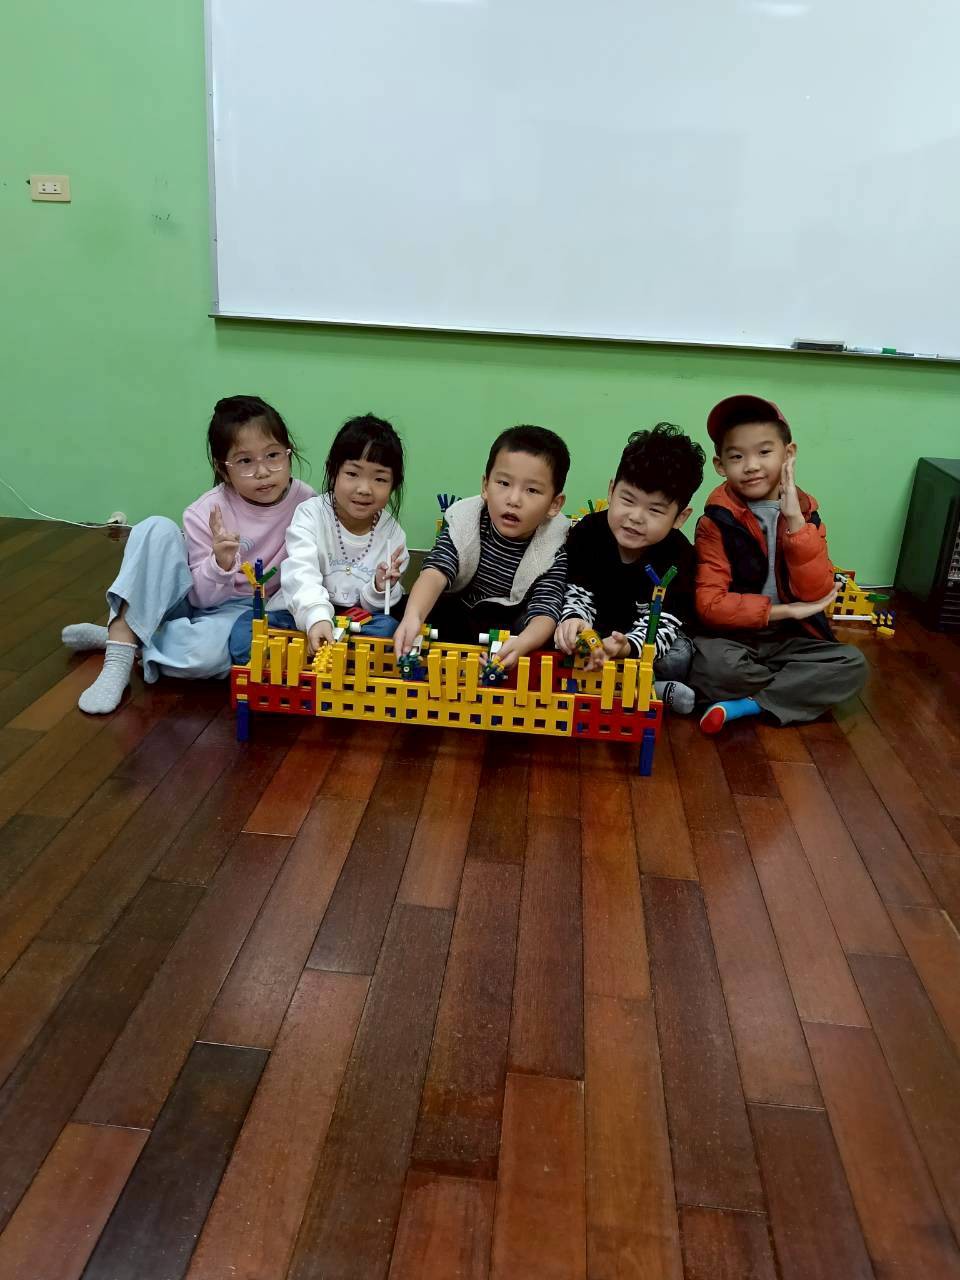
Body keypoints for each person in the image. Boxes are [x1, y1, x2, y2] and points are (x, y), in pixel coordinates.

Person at [63, 395, 313, 713]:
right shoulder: (206, 510)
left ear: (289, 453)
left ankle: (132, 637)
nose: (263, 471)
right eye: (245, 461)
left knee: (208, 657)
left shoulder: (307, 504)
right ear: (223, 469)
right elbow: (200, 598)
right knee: (154, 528)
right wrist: (220, 564)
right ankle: (119, 653)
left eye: (273, 455)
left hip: (245, 616)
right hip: (191, 599)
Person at [690, 393, 866, 733]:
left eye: (764, 452)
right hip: (734, 638)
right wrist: (784, 611)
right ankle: (792, 689)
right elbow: (710, 605)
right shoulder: (715, 522)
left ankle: (747, 704)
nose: (751, 466)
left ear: (789, 454)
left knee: (852, 664)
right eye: (737, 456)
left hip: (791, 639)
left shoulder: (807, 515)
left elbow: (815, 592)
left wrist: (796, 523)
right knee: (712, 666)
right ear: (720, 465)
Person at [554, 422, 704, 713]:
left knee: (678, 658)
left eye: (655, 510)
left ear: (680, 517)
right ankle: (647, 691)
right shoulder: (588, 532)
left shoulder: (679, 555)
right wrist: (575, 622)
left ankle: (631, 684)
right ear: (611, 490)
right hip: (594, 635)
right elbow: (576, 593)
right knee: (555, 633)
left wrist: (626, 647)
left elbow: (664, 622)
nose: (636, 517)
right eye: (627, 500)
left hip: (640, 644)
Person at [393, 424, 569, 672]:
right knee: (407, 608)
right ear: (486, 486)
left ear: (554, 504)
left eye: (532, 490)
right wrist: (414, 616)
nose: (513, 499)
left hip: (508, 627)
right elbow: (436, 571)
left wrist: (523, 644)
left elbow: (545, 611)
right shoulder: (466, 520)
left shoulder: (553, 545)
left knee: (548, 638)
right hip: (458, 614)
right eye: (504, 483)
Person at [280, 414, 408, 653]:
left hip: (356, 621)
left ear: (394, 485)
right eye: (352, 474)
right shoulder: (310, 514)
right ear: (333, 471)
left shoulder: (393, 535)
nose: (364, 489)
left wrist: (379, 587)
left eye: (380, 479)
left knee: (388, 629)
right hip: (306, 612)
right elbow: (300, 572)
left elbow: (374, 608)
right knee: (245, 630)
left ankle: (328, 655)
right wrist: (316, 617)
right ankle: (323, 644)